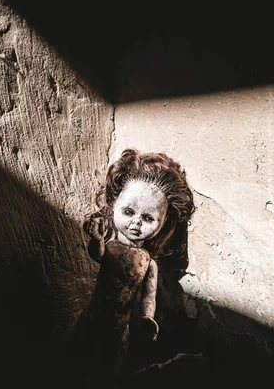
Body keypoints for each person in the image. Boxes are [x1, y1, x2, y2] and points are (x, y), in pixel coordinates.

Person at [70, 148, 195, 387]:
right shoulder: (112, 247)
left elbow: (149, 295)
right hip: (93, 318)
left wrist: (148, 317)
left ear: (164, 222)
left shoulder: (148, 262)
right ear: (114, 205)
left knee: (109, 369)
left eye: (148, 218)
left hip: (120, 329)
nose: (136, 223)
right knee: (79, 358)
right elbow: (97, 254)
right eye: (128, 212)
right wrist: (97, 238)